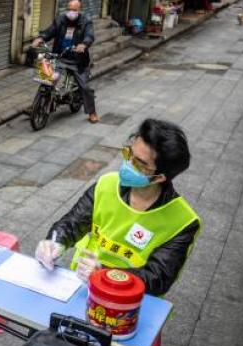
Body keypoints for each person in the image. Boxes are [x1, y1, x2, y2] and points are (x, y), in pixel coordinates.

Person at [35, 119, 201, 298]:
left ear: (159, 178)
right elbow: (73, 223)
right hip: (81, 287)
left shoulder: (182, 222)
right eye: (128, 152)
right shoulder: (107, 184)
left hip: (129, 306)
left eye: (139, 163)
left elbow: (157, 278)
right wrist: (55, 241)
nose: (128, 163)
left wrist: (105, 274)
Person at [32, 0, 100, 124]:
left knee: (85, 87)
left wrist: (84, 44)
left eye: (74, 10)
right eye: (69, 9)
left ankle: (92, 112)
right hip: (60, 56)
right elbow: (50, 31)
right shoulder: (61, 20)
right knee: (48, 78)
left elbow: (89, 35)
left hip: (78, 60)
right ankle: (40, 102)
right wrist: (41, 38)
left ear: (79, 11)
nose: (70, 12)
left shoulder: (86, 22)